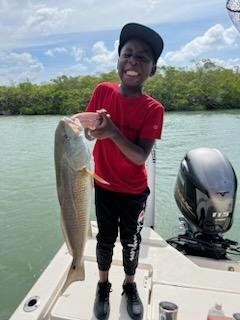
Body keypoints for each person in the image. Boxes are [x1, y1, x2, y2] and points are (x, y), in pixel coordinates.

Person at [75, 22, 164, 320]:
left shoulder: (153, 109)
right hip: (103, 185)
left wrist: (112, 133)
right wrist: (95, 132)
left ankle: (129, 284)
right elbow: (87, 135)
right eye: (128, 53)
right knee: (103, 240)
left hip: (134, 192)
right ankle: (103, 285)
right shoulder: (102, 91)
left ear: (152, 69)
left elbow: (140, 156)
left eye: (143, 57)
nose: (133, 61)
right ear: (118, 59)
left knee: (131, 242)